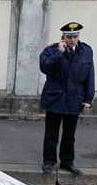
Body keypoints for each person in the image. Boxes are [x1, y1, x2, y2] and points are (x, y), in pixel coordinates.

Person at [40, 22, 94, 175]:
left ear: (78, 37)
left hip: (74, 99)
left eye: (75, 36)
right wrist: (59, 53)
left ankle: (67, 162)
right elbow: (44, 67)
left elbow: (90, 75)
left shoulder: (86, 51)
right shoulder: (51, 50)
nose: (72, 39)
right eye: (69, 36)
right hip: (55, 98)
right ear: (63, 37)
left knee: (69, 135)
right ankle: (49, 161)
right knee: (51, 134)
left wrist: (88, 99)